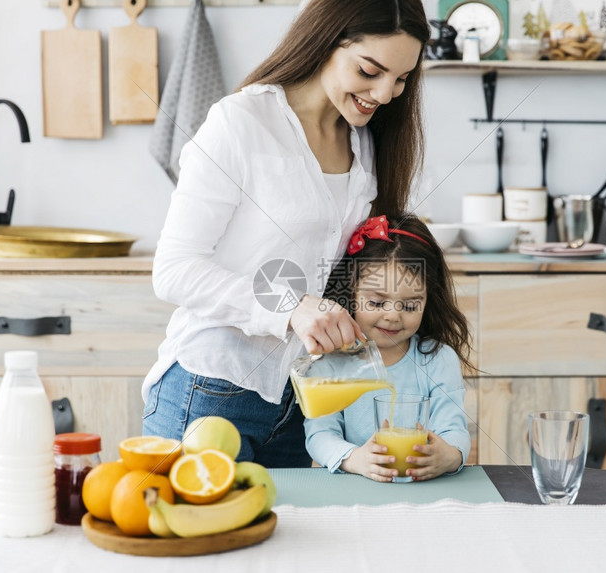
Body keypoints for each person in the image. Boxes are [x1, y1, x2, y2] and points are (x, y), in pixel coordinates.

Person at [141, 0, 431, 468]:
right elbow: (174, 271)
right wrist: (292, 307)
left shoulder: (364, 141)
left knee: (286, 542)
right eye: (369, 70)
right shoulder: (241, 123)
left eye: (400, 79)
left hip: (301, 402)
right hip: (212, 390)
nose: (383, 93)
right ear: (327, 41)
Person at [305, 214, 474, 481]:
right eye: (376, 303)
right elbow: (320, 435)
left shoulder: (438, 360)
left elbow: (454, 429)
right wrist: (354, 459)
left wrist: (451, 455)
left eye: (409, 305)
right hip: (356, 490)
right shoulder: (330, 364)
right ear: (351, 293)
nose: (393, 315)